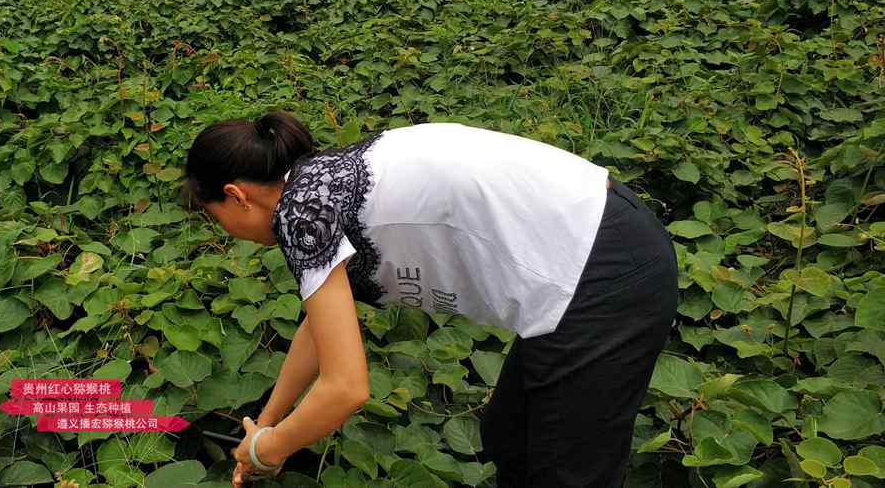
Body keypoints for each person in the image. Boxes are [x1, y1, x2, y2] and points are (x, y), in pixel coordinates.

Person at [179, 111, 679, 488]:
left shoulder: (302, 213)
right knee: (511, 438)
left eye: (215, 216)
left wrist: (270, 450)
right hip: (595, 241)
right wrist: (268, 421)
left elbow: (347, 388)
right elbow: (320, 328)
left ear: (236, 195)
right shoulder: (320, 180)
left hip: (601, 275)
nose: (229, 232)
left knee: (562, 472)